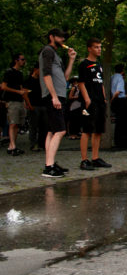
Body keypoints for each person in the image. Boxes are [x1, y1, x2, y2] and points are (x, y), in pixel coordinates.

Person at [39, 28, 76, 177]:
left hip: (58, 94)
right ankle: (49, 167)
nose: (63, 40)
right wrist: (54, 96)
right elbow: (46, 74)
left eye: (64, 38)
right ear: (51, 37)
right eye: (60, 37)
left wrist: (71, 59)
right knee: (61, 130)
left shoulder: (56, 54)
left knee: (52, 131)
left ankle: (50, 163)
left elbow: (65, 77)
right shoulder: (47, 51)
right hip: (53, 96)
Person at [77, 37, 112, 170]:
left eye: (100, 47)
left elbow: (101, 83)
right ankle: (84, 159)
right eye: (96, 47)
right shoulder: (84, 64)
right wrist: (87, 99)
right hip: (89, 101)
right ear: (89, 48)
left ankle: (95, 157)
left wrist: (104, 98)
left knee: (98, 130)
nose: (99, 50)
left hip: (99, 101)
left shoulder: (99, 65)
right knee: (87, 130)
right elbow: (81, 83)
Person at [1, 53, 31, 155]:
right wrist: (18, 92)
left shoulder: (20, 73)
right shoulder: (9, 72)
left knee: (17, 124)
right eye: (22, 59)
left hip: (19, 101)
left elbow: (22, 88)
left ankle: (12, 146)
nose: (24, 61)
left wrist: (26, 101)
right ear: (16, 60)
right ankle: (12, 145)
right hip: (12, 101)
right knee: (12, 123)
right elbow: (3, 86)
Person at [23, 63, 47, 152]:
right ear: (35, 69)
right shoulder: (29, 80)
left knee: (44, 126)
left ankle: (42, 143)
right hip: (34, 105)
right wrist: (29, 105)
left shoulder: (42, 80)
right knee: (33, 126)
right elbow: (25, 94)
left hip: (43, 105)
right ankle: (33, 144)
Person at [111, 64, 127, 149]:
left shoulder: (112, 77)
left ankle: (117, 140)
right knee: (124, 122)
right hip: (120, 101)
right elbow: (118, 91)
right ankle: (123, 141)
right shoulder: (120, 78)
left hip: (115, 101)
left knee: (118, 122)